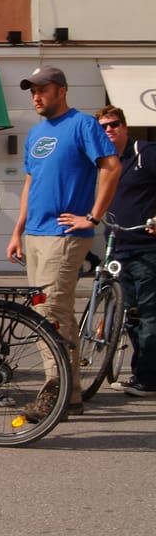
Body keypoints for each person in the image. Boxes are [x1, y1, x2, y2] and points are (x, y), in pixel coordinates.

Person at [6, 66, 120, 419]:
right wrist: (17, 230)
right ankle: (70, 393)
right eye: (32, 91)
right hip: (36, 234)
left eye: (43, 90)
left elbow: (111, 166)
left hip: (66, 234)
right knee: (60, 314)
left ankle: (53, 391)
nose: (36, 96)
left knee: (47, 313)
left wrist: (94, 216)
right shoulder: (37, 132)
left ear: (62, 91)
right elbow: (30, 182)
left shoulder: (83, 125)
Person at [94, 106, 156, 396]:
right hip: (116, 247)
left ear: (125, 127)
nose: (109, 130)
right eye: (104, 126)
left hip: (146, 248)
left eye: (114, 124)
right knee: (130, 315)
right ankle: (142, 372)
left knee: (148, 314)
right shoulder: (103, 162)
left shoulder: (145, 153)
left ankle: (149, 378)